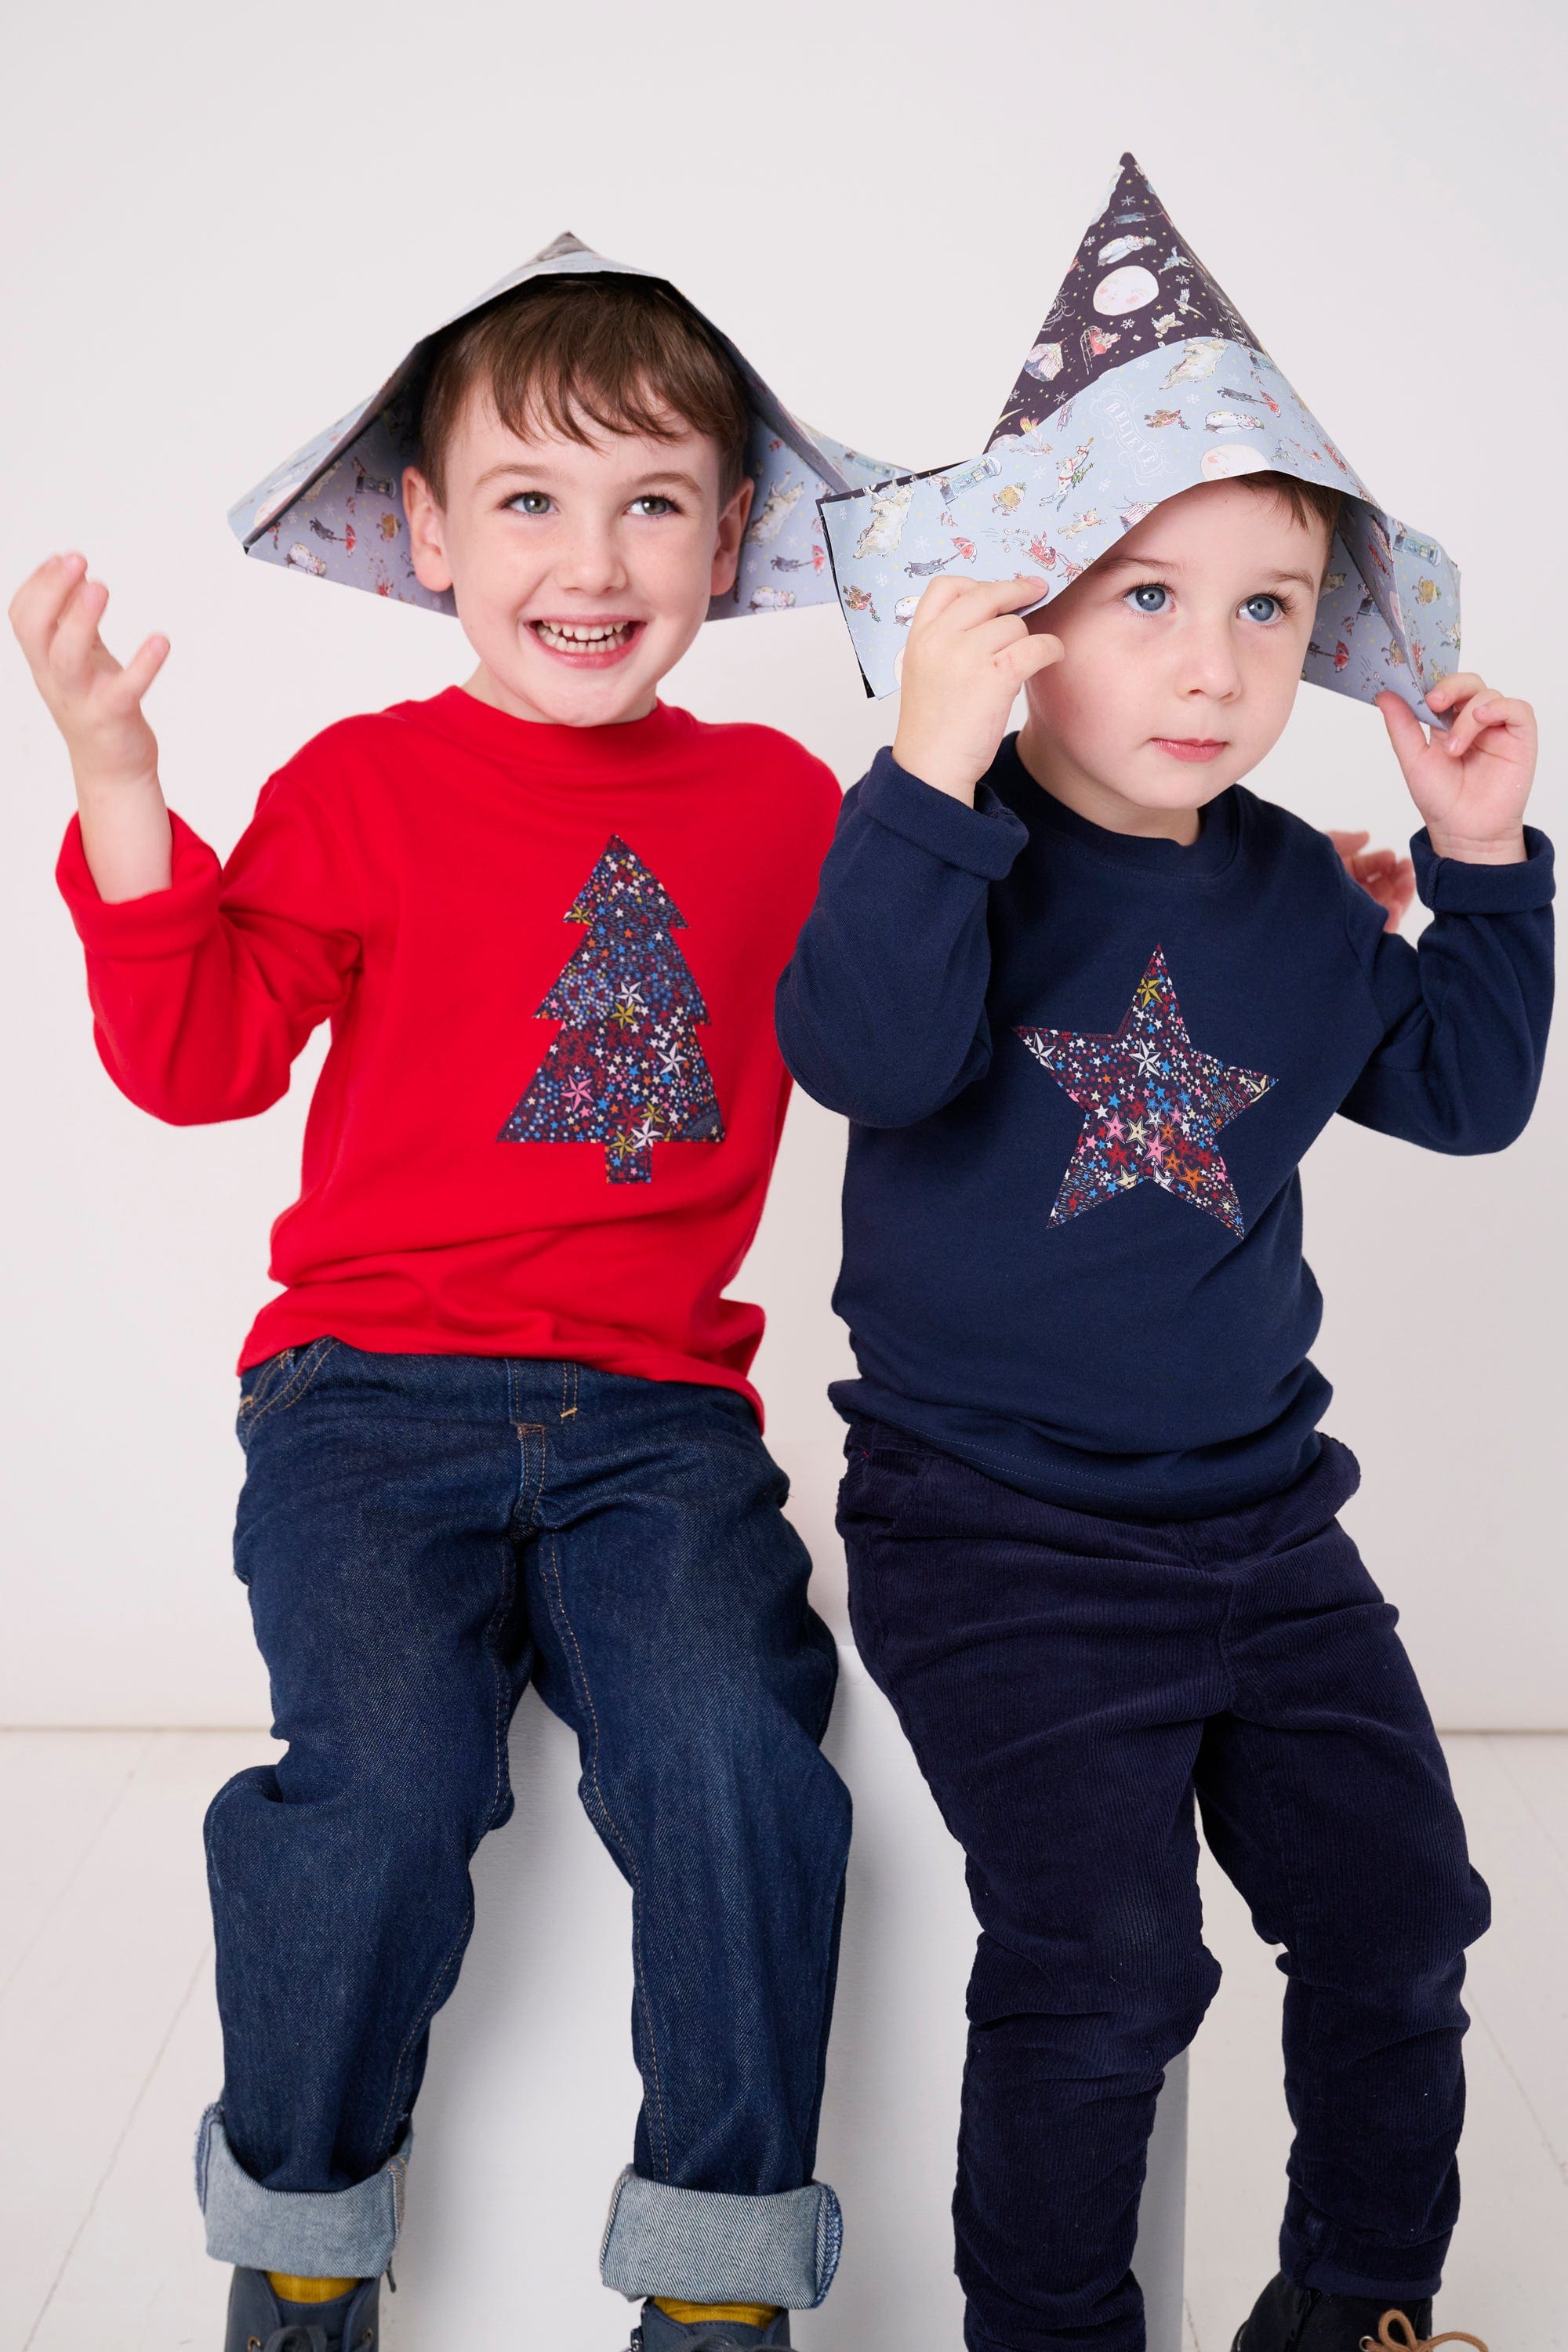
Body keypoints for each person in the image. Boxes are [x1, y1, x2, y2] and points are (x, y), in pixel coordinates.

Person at [11, 263, 853, 2352]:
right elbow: (200, 1058)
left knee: (741, 1761)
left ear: (730, 538)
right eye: (532, 505)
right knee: (380, 1789)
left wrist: (1275, 909)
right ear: (427, 534)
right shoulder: (365, 788)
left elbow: (947, 1007)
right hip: (363, 1401)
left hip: (657, 1422)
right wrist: (125, 784)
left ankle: (720, 2284)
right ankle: (304, 2240)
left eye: (656, 504)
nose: (594, 563)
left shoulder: (782, 812)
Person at [776, 467, 1548, 2352]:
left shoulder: (1291, 883)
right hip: (994, 1525)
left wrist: (1480, 867)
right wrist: (926, 780)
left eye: (1269, 609)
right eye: (1141, 601)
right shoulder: (950, 845)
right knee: (1108, 1968)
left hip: (1267, 1520)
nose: (1211, 666)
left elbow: (1457, 1092)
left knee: (1402, 1924)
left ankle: (1361, 2307)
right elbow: (856, 1051)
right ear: (1015, 620)